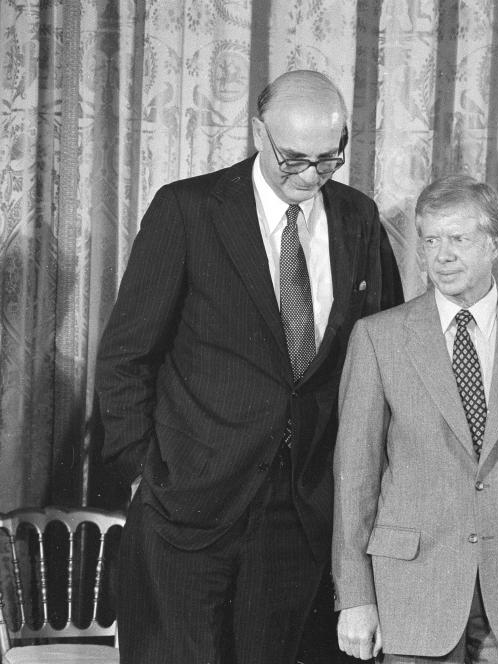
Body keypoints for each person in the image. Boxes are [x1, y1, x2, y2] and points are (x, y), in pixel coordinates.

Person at [95, 70, 403, 663]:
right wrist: (144, 471)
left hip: (301, 513)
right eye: (294, 160)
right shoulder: (188, 209)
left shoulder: (357, 220)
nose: (311, 177)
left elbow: (383, 358)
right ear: (259, 134)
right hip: (186, 504)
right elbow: (126, 357)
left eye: (328, 160)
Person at [331, 174, 498, 663]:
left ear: (496, 243)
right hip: (411, 595)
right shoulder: (378, 339)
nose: (441, 255)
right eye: (430, 240)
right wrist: (355, 597)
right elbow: (354, 480)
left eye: (458, 239)